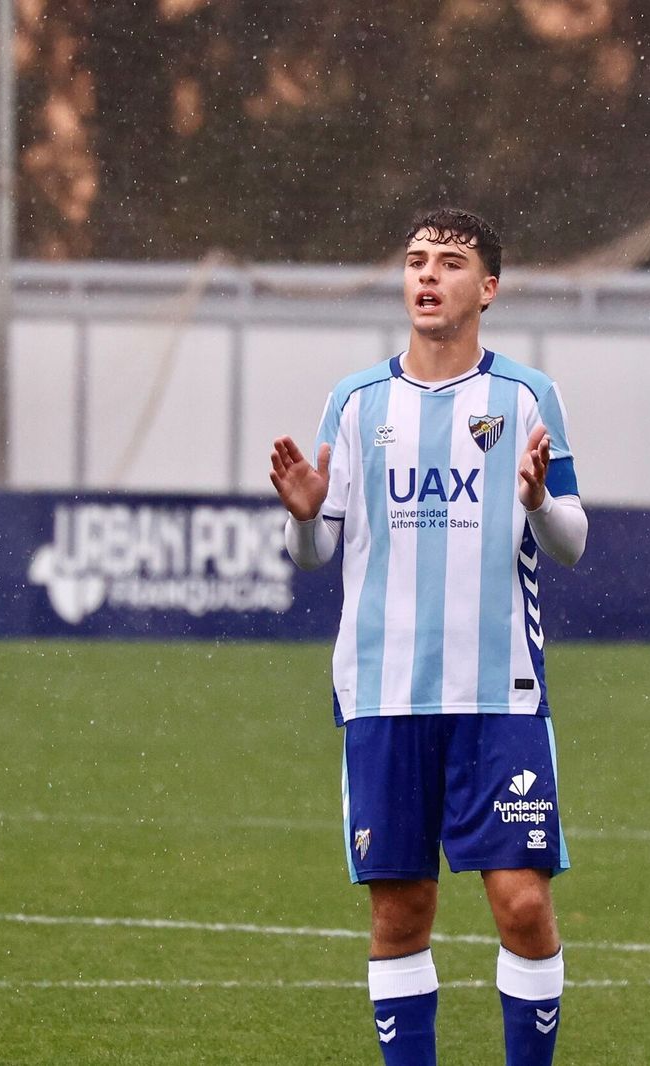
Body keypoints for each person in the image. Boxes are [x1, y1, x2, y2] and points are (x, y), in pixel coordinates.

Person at [270, 207, 587, 1066]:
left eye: (449, 263)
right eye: (416, 261)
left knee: (522, 905)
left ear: (487, 288)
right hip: (384, 693)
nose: (427, 276)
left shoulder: (526, 395)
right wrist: (302, 518)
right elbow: (315, 549)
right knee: (399, 912)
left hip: (500, 694)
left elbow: (573, 540)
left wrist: (535, 504)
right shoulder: (356, 401)